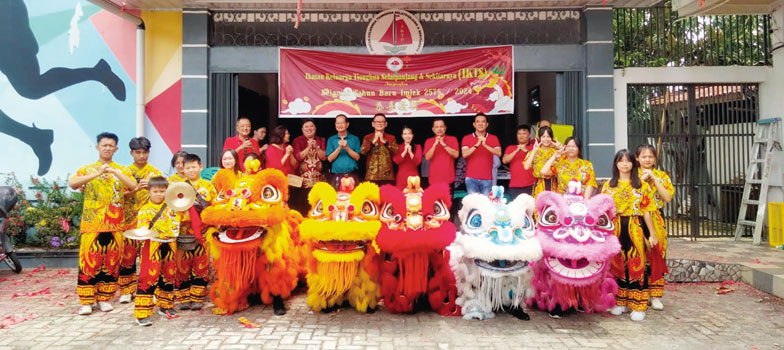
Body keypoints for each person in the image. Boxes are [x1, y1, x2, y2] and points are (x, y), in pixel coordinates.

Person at [68, 132, 137, 316]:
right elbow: (72, 183)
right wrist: (96, 174)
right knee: (88, 263)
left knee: (112, 263)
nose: (107, 148)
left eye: (111, 145)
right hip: (92, 225)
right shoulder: (88, 169)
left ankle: (105, 298)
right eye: (104, 145)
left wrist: (115, 172)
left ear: (116, 149)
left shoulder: (121, 169)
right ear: (97, 147)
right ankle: (87, 301)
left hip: (115, 226)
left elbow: (132, 186)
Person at [601, 149, 657, 322]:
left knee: (636, 265)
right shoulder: (608, 185)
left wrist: (653, 234)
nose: (624, 164)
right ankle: (620, 302)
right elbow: (601, 211)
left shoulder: (641, 185)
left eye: (628, 161)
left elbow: (647, 211)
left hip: (635, 226)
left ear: (633, 163)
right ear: (616, 164)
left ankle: (638, 305)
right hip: (615, 228)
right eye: (621, 160)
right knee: (617, 265)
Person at [133, 176, 183, 326]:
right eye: (155, 191)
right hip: (152, 244)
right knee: (148, 276)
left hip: (170, 243)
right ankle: (142, 313)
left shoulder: (173, 206)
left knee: (169, 275)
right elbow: (142, 225)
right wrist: (142, 230)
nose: (159, 194)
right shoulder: (145, 209)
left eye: (162, 191)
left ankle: (166, 306)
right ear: (149, 192)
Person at [118, 137, 162, 304]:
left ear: (149, 153)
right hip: (129, 219)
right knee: (128, 256)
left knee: (149, 257)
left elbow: (162, 194)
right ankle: (126, 289)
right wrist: (135, 189)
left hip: (150, 222)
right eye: (138, 152)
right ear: (131, 153)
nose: (142, 156)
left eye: (145, 152)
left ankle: (149, 288)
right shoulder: (125, 172)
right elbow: (119, 195)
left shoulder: (155, 173)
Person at [636, 144, 674, 311]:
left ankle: (655, 295)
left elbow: (667, 197)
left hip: (656, 218)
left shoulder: (662, 176)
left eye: (650, 156)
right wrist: (643, 180)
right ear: (637, 158)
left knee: (657, 254)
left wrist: (655, 179)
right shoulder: (632, 174)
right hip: (636, 218)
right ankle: (639, 293)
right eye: (644, 156)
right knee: (638, 256)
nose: (647, 159)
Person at [176, 154, 215, 312]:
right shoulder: (177, 187)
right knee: (182, 266)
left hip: (203, 232)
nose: (191, 170)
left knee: (202, 265)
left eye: (194, 167)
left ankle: (198, 297)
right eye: (188, 167)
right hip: (183, 231)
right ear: (183, 169)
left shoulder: (208, 186)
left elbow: (213, 206)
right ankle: (183, 298)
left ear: (201, 167)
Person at [461, 113, 501, 195]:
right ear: (474, 124)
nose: (480, 124)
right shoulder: (467, 138)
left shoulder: (493, 138)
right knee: (473, 205)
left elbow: (499, 153)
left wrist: (485, 145)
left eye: (483, 122)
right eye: (478, 122)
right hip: (471, 178)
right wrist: (477, 144)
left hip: (487, 178)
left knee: (485, 205)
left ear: (487, 124)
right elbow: (464, 154)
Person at [292, 119, 326, 213]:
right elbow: (298, 157)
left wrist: (316, 147)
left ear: (315, 128)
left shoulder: (321, 140)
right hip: (303, 181)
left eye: (311, 126)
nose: (309, 129)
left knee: (318, 206)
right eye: (306, 127)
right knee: (303, 207)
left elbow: (324, 157)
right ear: (302, 129)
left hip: (318, 180)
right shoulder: (297, 141)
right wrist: (308, 147)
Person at [360, 113, 398, 185]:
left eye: (382, 122)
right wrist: (372, 143)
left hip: (387, 176)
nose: (379, 124)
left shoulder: (391, 138)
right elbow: (362, 151)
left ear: (386, 124)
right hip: (371, 176)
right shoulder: (367, 138)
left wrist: (385, 143)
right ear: (373, 124)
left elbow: (395, 151)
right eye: (377, 122)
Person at [524, 126, 560, 198]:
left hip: (554, 183)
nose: (546, 139)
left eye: (548, 136)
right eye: (543, 137)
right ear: (539, 138)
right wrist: (534, 151)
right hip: (539, 184)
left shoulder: (555, 152)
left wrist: (560, 148)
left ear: (552, 138)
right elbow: (526, 167)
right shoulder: (534, 152)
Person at [326, 114, 361, 188]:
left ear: (347, 124)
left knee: (354, 198)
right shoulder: (331, 139)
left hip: (352, 174)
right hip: (337, 175)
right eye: (337, 123)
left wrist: (346, 147)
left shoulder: (354, 139)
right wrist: (339, 147)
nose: (340, 125)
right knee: (337, 198)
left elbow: (357, 157)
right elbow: (329, 159)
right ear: (335, 124)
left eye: (342, 123)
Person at [424, 118, 460, 187]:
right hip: (434, 179)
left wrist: (443, 144)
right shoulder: (429, 141)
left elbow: (456, 155)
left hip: (449, 179)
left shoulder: (453, 139)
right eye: (437, 127)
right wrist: (434, 144)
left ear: (445, 128)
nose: (439, 129)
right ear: (433, 129)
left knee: (449, 198)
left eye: (441, 127)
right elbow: (427, 157)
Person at [502, 124, 536, 197]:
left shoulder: (534, 148)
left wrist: (526, 151)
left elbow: (537, 160)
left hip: (531, 185)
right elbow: (504, 160)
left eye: (524, 134)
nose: (521, 136)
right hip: (514, 186)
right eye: (519, 134)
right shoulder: (510, 148)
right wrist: (516, 150)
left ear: (529, 135)